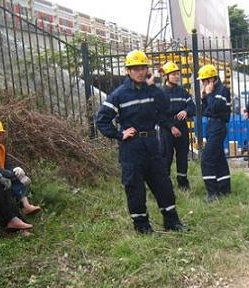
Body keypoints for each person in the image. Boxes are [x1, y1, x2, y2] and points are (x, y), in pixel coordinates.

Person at [95, 49, 186, 234]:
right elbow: (101, 119)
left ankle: (172, 222)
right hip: (132, 148)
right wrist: (119, 134)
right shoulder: (119, 94)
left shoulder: (151, 91)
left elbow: (165, 107)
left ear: (147, 70)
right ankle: (142, 227)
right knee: (135, 188)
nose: (139, 72)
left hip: (152, 144)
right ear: (128, 70)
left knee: (163, 183)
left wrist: (153, 87)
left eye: (143, 68)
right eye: (135, 68)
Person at [0, 117, 41, 216]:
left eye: (0, 135)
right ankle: (15, 214)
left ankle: (26, 206)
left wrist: (16, 170)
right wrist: (12, 175)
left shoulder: (1, 148)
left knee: (19, 177)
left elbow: (7, 165)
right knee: (8, 181)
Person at [159, 61, 196, 190]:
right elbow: (158, 115)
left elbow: (192, 107)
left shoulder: (183, 92)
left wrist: (186, 111)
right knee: (166, 157)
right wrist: (171, 127)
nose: (176, 76)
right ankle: (165, 185)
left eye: (177, 74)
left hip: (182, 128)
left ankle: (183, 183)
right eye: (173, 74)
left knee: (182, 157)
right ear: (166, 76)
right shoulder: (160, 93)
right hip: (167, 130)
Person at [198, 63, 231, 201]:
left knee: (206, 160)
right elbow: (207, 111)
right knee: (219, 159)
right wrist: (204, 98)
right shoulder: (213, 92)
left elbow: (216, 108)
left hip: (218, 126)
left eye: (203, 81)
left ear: (210, 79)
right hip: (212, 125)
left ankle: (213, 193)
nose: (202, 83)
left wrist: (210, 94)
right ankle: (225, 189)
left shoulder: (222, 91)